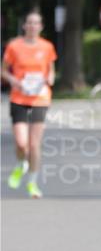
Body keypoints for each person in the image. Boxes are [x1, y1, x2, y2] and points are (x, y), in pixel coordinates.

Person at [2, 10, 57, 199]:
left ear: (41, 27)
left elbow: (51, 71)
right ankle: (20, 164)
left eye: (36, 23)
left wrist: (49, 79)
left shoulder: (47, 46)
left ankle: (32, 183)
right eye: (30, 23)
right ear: (24, 25)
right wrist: (14, 81)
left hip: (40, 99)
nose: (33, 26)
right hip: (19, 98)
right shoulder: (14, 46)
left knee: (34, 145)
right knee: (21, 143)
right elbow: (3, 71)